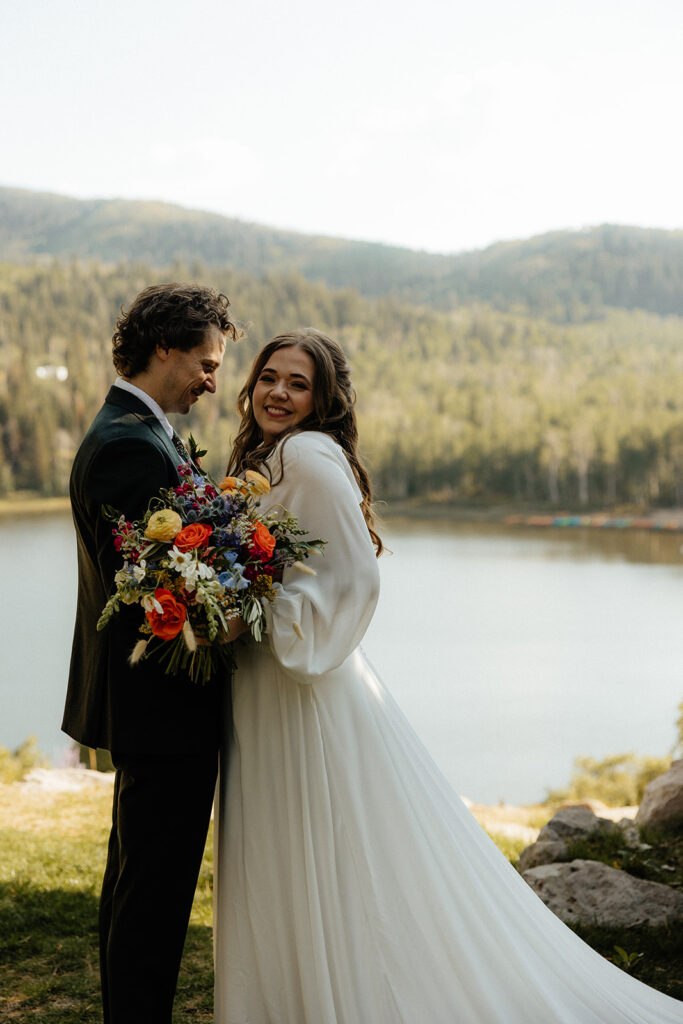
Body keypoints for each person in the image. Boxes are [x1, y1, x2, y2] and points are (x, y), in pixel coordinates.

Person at [213, 328, 682, 1023]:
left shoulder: (305, 454)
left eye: (297, 383)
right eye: (269, 377)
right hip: (267, 679)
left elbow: (353, 577)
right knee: (298, 850)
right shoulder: (265, 456)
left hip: (295, 683)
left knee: (307, 845)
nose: (278, 392)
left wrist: (253, 612)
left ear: (322, 399)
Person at [62, 283, 242, 1024]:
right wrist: (239, 610)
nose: (212, 378)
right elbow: (149, 592)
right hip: (163, 707)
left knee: (141, 879)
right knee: (153, 894)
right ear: (163, 347)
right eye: (205, 361)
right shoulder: (128, 447)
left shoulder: (143, 431)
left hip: (161, 709)